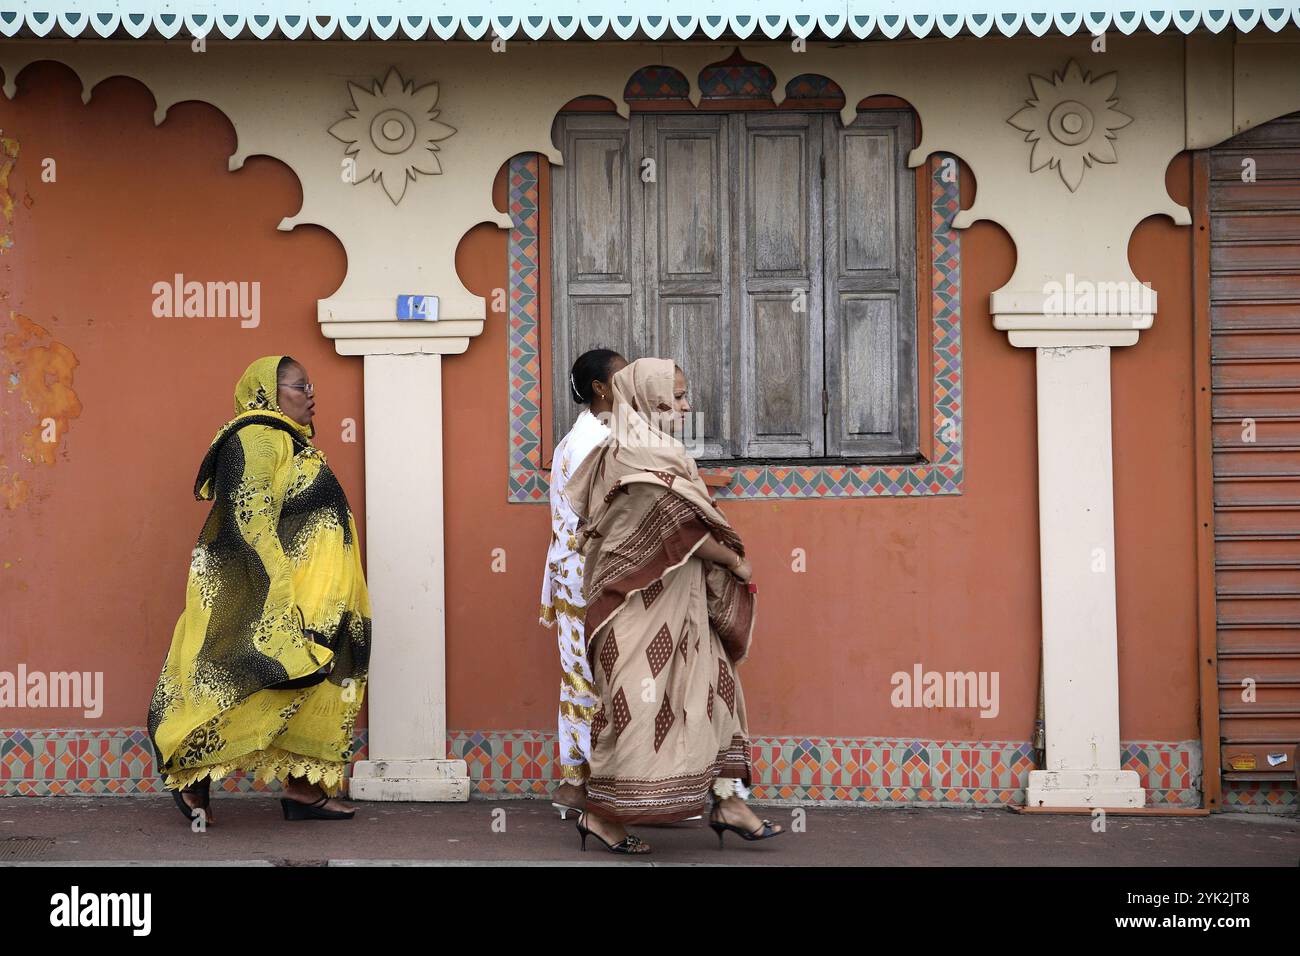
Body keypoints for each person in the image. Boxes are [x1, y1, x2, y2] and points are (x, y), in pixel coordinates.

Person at [562, 357, 784, 854]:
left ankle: (728, 802)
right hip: (633, 610)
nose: (686, 406)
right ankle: (599, 815)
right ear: (646, 401)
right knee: (639, 712)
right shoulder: (630, 457)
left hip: (683, 607)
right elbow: (678, 528)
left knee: (717, 700)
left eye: (684, 396)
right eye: (676, 398)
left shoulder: (660, 452)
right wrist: (735, 561)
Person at [148, 355, 371, 823]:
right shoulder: (255, 439)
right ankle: (190, 775)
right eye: (298, 386)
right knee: (239, 678)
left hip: (321, 601)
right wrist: (278, 597)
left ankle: (304, 791)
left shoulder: (288, 442)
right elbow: (248, 523)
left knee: (314, 688)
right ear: (268, 393)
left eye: (310, 386)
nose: (311, 394)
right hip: (277, 594)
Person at [540, 349, 627, 817]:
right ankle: (576, 783)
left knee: (591, 677)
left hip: (584, 575)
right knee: (582, 680)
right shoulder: (589, 443)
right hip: (581, 578)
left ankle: (592, 784)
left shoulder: (600, 436)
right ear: (600, 388)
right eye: (622, 375)